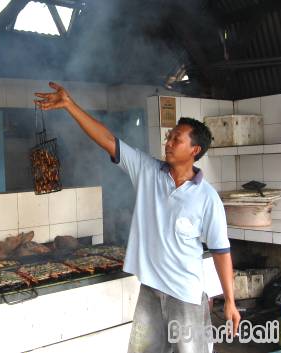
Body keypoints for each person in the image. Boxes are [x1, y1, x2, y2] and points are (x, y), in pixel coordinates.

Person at [35, 82, 240, 353]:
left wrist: (230, 300)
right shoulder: (147, 171)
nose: (168, 142)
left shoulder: (207, 198)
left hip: (187, 297)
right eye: (169, 137)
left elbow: (220, 251)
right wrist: (70, 105)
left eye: (176, 139)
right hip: (151, 292)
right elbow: (108, 140)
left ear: (195, 150)